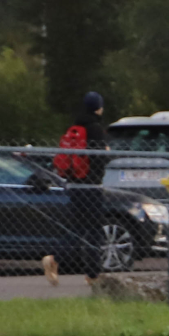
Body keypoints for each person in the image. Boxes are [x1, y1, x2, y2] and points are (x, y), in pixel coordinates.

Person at [53, 90, 113, 277]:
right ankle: (93, 273)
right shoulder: (95, 128)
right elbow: (98, 158)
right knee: (94, 228)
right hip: (92, 185)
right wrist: (107, 152)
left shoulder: (75, 127)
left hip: (75, 184)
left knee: (78, 227)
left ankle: (55, 259)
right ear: (98, 108)